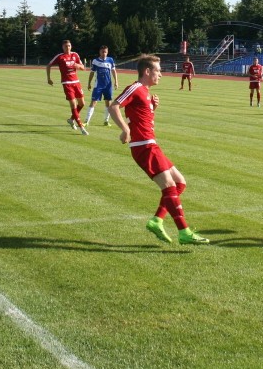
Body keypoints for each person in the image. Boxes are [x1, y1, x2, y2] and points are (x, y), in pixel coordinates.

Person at [108, 54, 209, 245]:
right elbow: (114, 107)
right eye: (158, 71)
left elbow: (140, 116)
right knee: (170, 185)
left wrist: (152, 107)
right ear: (147, 71)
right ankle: (184, 232)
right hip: (143, 146)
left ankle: (156, 221)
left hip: (150, 144)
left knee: (180, 183)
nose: (161, 74)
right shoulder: (135, 88)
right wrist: (125, 130)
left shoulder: (145, 92)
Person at [46, 40, 88, 136]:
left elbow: (83, 68)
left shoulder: (75, 55)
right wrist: (49, 78)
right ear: (63, 47)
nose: (67, 48)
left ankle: (71, 119)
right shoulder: (60, 57)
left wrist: (77, 65)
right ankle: (81, 127)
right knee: (73, 104)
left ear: (71, 46)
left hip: (76, 82)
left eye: (69, 46)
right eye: (65, 46)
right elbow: (48, 65)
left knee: (82, 103)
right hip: (67, 83)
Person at [85, 45, 119, 126]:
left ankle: (106, 121)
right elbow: (92, 73)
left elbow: (114, 71)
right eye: (102, 52)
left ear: (107, 52)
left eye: (105, 52)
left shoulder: (110, 60)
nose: (104, 53)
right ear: (99, 52)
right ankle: (87, 121)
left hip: (108, 86)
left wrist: (116, 81)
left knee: (108, 103)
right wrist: (89, 83)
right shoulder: (95, 61)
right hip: (98, 86)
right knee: (93, 102)